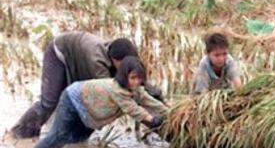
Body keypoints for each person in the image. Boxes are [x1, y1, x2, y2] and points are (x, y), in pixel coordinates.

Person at [11, 31, 163, 139]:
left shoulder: (120, 55)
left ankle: (65, 133)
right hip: (59, 54)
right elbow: (116, 94)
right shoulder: (96, 60)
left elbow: (137, 84)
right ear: (116, 60)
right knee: (50, 101)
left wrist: (156, 95)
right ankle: (20, 132)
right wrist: (149, 117)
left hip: (78, 56)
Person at [32, 56, 167, 148]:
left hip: (89, 109)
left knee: (79, 138)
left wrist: (169, 111)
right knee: (59, 135)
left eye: (140, 78)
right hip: (72, 100)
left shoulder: (135, 88)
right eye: (133, 77)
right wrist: (152, 120)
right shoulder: (117, 89)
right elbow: (133, 109)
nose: (137, 82)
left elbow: (147, 100)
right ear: (124, 76)